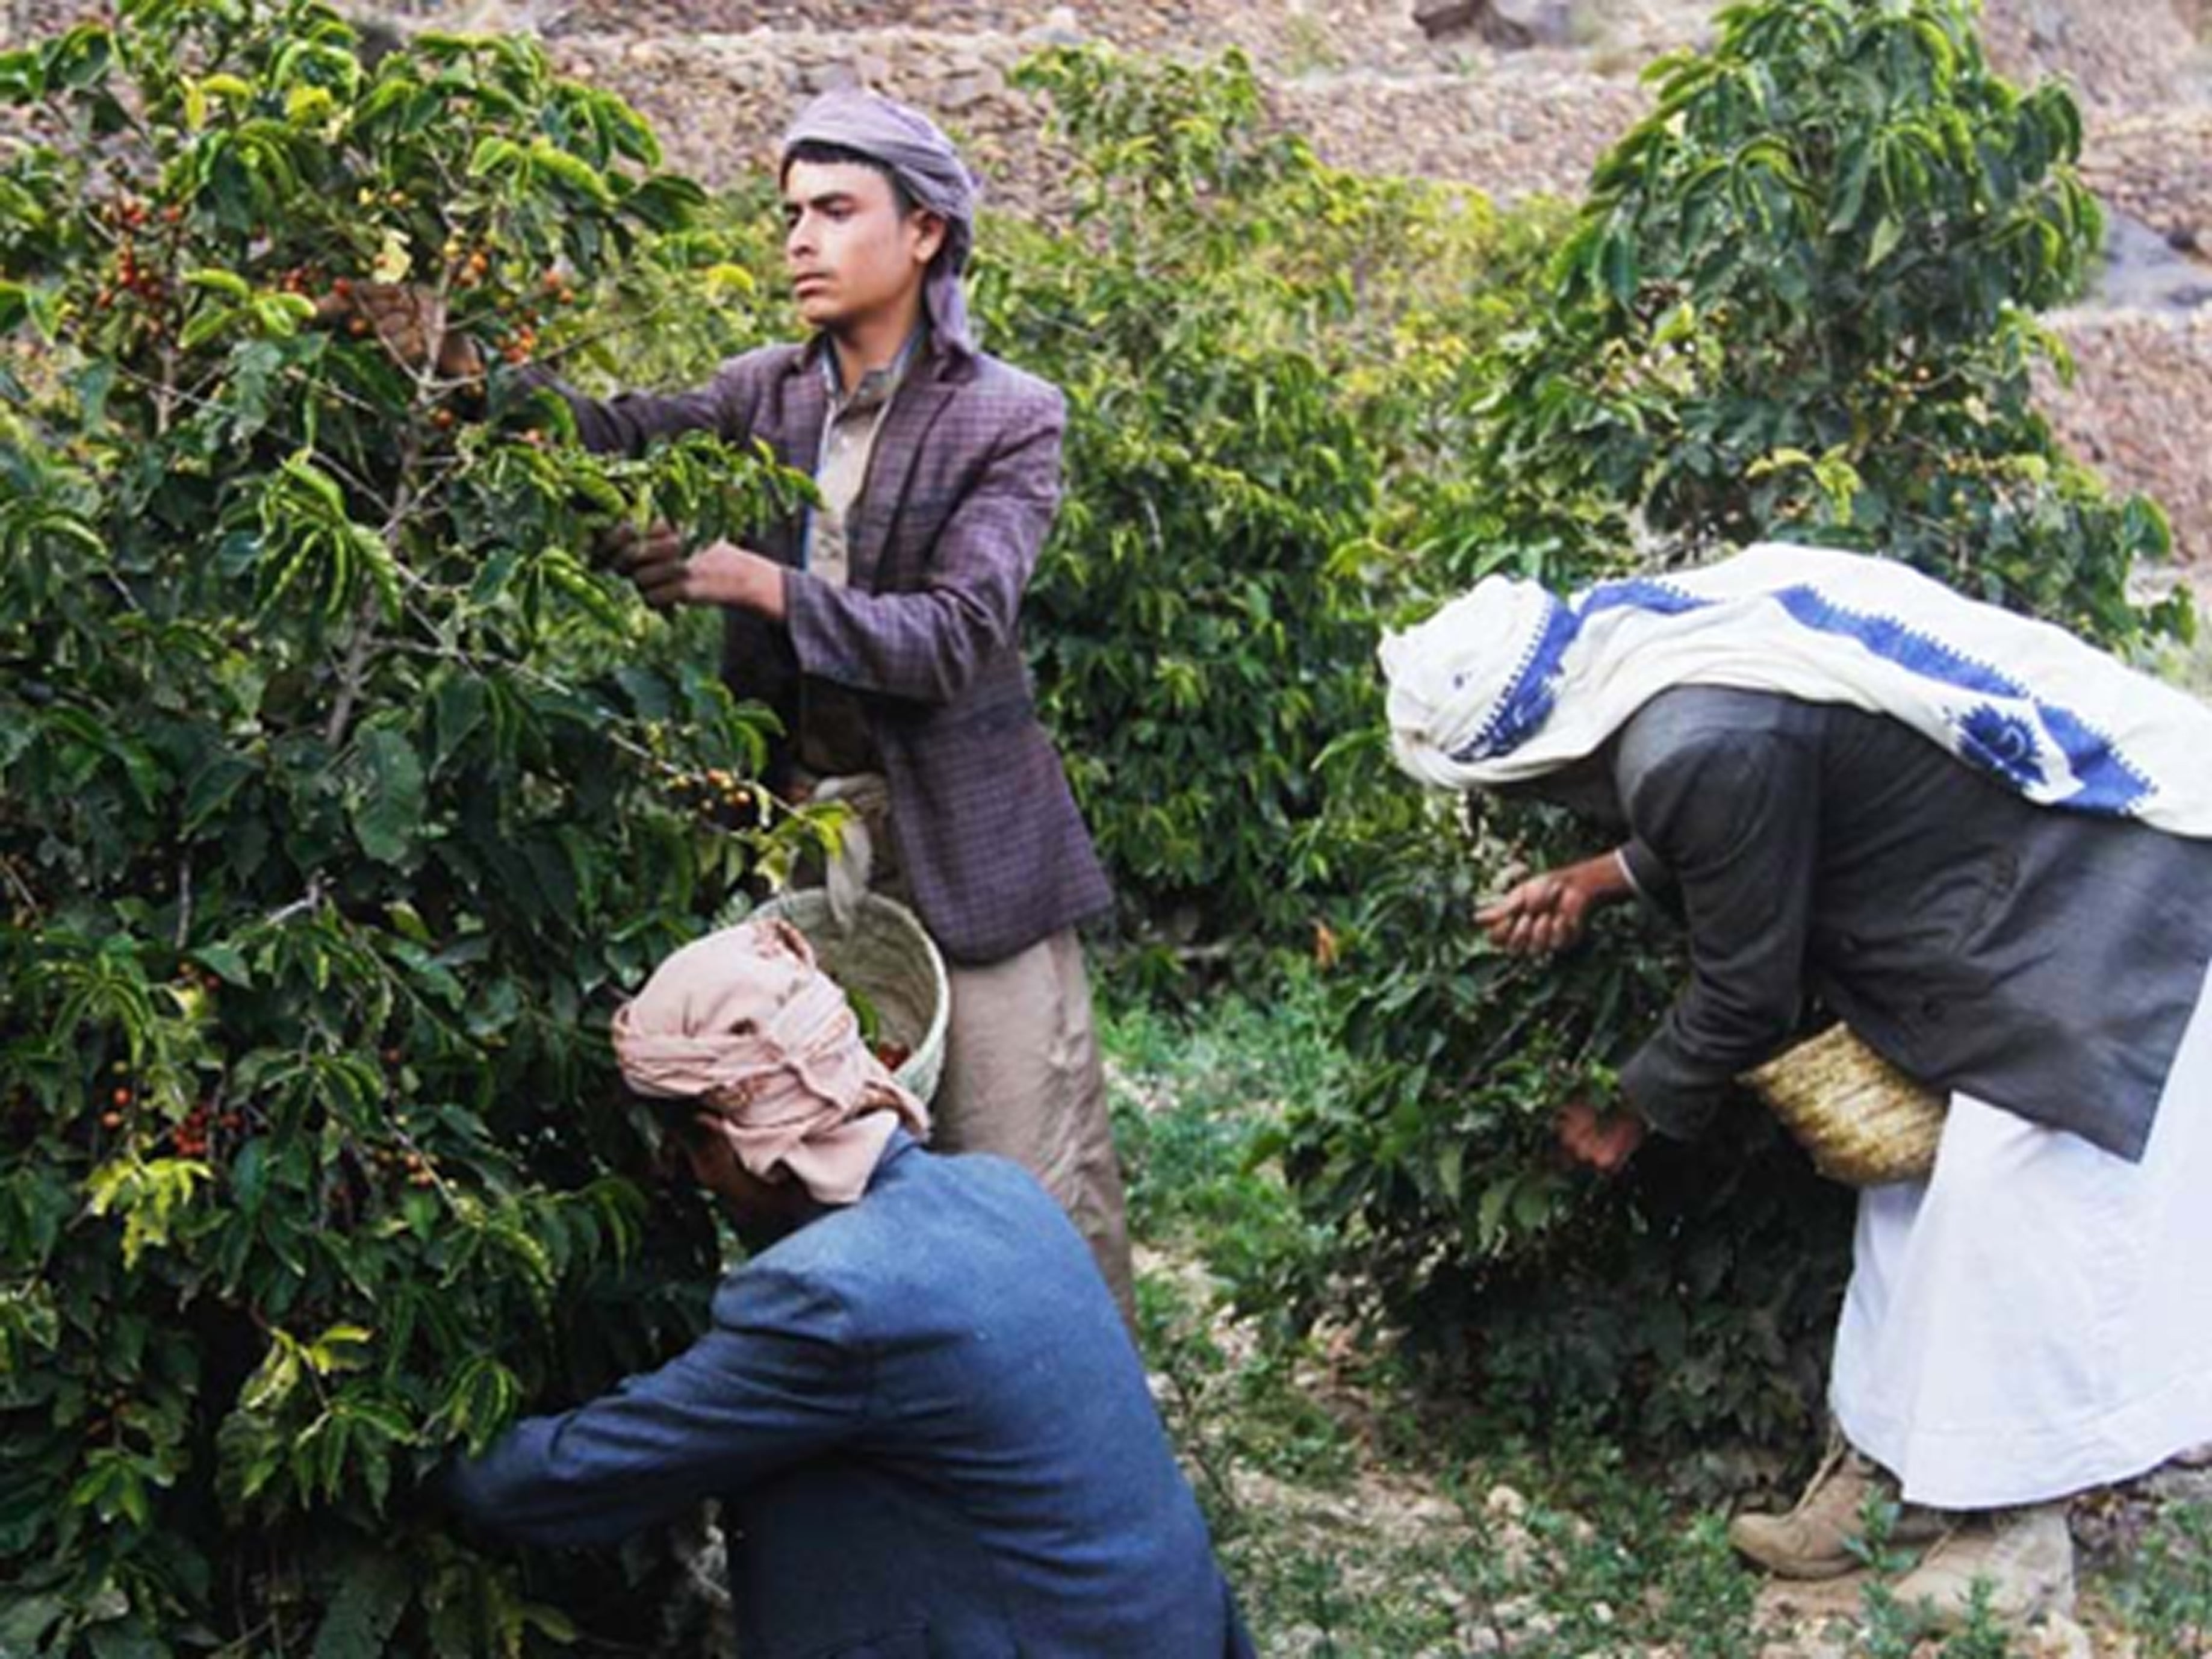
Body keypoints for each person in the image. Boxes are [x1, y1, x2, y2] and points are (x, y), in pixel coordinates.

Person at [345, 89, 1134, 1315]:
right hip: (802, 829)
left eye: (836, 210)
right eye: (791, 214)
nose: (801, 240)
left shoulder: (1006, 415)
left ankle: (1067, 1400)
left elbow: (955, 635)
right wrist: (457, 362)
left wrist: (755, 582)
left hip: (966, 847)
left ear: (925, 231)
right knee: (819, 1161)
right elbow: (611, 437)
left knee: (1022, 1167)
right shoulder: (763, 395)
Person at [1380, 542, 2212, 1629]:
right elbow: (1771, 784)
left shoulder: (1692, 740)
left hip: (2113, 899)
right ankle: (1889, 1488)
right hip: (2026, 899)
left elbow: (1745, 991)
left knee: (2013, 1207)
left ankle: (2012, 1533)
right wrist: (1601, 877)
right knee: (1907, 1198)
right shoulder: (1665, 656)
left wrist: (1631, 1107)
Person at [443, 918, 1254, 1658]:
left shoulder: (830, 1298)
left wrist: (429, 1463)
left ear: (726, 1138)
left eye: (687, 1152)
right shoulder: (1001, 1189)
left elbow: (588, 1473)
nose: (689, 1181)